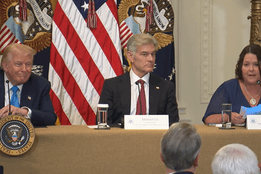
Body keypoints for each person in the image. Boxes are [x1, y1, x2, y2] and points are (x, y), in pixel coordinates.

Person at [99, 33, 179, 125]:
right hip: (121, 138)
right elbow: (104, 124)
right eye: (144, 54)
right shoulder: (112, 86)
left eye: (153, 54)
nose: (151, 59)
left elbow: (173, 124)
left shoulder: (166, 87)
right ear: (130, 56)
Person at [203, 44, 261, 125]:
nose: (251, 69)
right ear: (240, 67)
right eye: (246, 65)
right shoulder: (228, 88)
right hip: (235, 137)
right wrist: (228, 117)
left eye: (256, 64)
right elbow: (208, 119)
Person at [0, 43, 57, 126]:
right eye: (18, 64)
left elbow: (50, 118)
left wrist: (25, 113)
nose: (24, 69)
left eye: (28, 64)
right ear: (5, 66)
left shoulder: (40, 85)